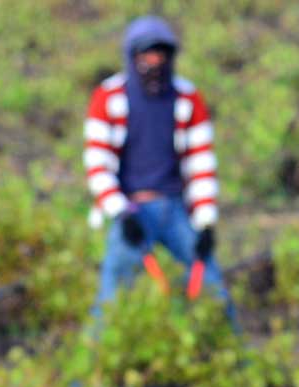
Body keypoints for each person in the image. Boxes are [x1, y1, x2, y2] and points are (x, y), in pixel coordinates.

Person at [84, 15, 234, 326]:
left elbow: (201, 162)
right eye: (147, 55)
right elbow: (97, 163)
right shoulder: (109, 97)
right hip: (133, 210)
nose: (154, 62)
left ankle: (240, 366)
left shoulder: (187, 98)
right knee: (111, 299)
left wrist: (205, 222)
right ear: (133, 56)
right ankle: (88, 373)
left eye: (160, 55)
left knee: (212, 287)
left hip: (175, 208)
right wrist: (120, 212)